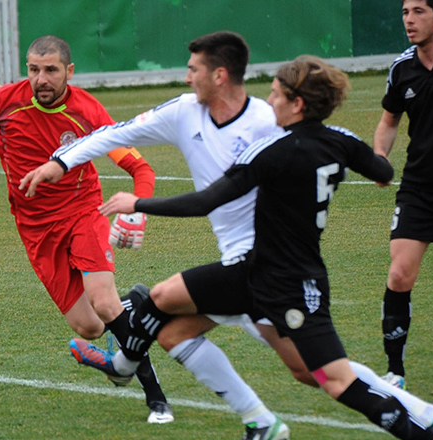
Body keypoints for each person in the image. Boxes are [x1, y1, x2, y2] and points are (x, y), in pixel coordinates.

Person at [98, 55, 433, 440]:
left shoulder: (272, 151)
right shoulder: (341, 140)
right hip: (256, 274)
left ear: (297, 103)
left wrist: (137, 203)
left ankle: (419, 428)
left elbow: (204, 202)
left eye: (275, 95)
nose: (268, 103)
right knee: (163, 302)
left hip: (284, 283)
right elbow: (384, 172)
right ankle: (132, 366)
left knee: (331, 380)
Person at [21, 31, 296, 440]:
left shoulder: (266, 122)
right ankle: (260, 421)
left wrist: (139, 208)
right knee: (150, 326)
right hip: (238, 264)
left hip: (268, 264)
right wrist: (59, 163)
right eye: (33, 70)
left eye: (193, 69)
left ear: (219, 75)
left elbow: (178, 187)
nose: (186, 77)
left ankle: (138, 378)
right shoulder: (186, 111)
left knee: (308, 365)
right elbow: (115, 136)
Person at [0, 35, 173, 423]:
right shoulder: (5, 99)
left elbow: (140, 168)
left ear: (69, 72)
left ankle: (155, 396)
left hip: (83, 213)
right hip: (34, 230)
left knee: (104, 303)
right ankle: (136, 302)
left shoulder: (88, 111)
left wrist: (138, 209)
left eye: (51, 70)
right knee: (90, 326)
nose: (40, 79)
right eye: (33, 69)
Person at [373, 0, 433, 390]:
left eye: (419, 10)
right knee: (399, 273)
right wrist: (378, 159)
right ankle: (395, 370)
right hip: (421, 187)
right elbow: (389, 121)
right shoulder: (401, 68)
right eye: (405, 11)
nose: (409, 19)